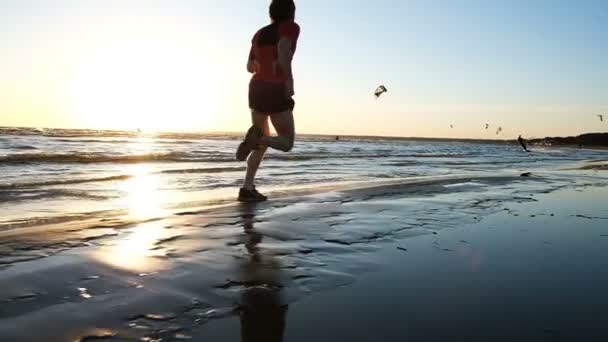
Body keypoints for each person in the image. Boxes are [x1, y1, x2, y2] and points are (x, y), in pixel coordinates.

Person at [236, 0, 300, 202]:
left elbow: (249, 66)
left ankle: (247, 188)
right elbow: (283, 50)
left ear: (271, 13)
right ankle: (258, 139)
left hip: (255, 88)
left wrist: (263, 65)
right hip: (275, 87)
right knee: (286, 142)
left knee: (259, 142)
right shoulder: (290, 27)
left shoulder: (259, 34)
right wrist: (288, 81)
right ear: (291, 12)